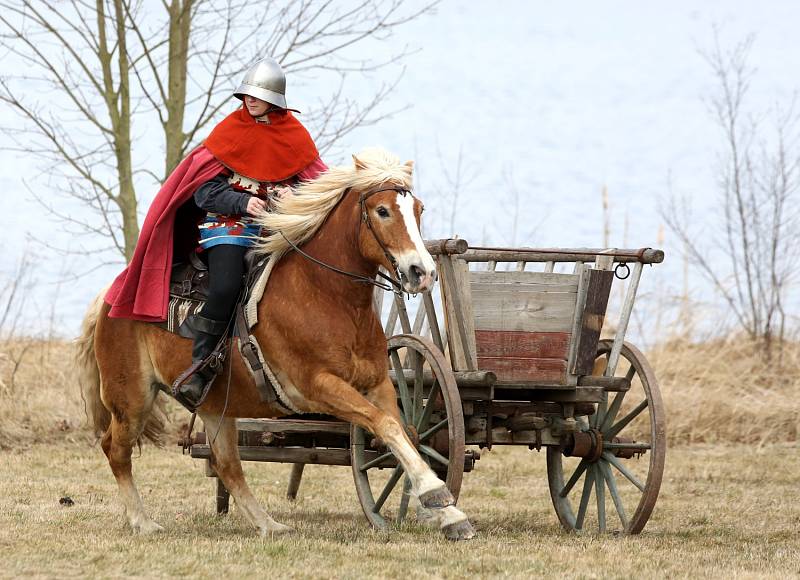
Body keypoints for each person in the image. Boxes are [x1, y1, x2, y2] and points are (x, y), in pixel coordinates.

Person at [104, 56, 327, 410]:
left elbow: (320, 189)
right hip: (229, 227)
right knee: (226, 284)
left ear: (275, 99)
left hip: (278, 230)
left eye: (256, 94)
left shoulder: (295, 138)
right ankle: (201, 365)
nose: (248, 100)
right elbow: (203, 192)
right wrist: (242, 203)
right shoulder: (230, 133)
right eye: (246, 94)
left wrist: (293, 195)